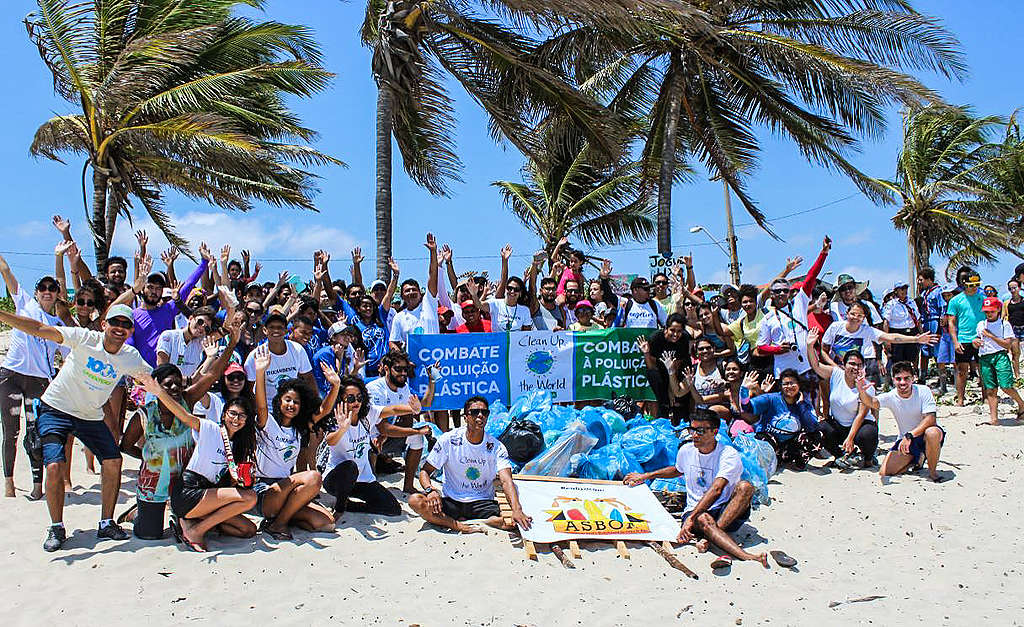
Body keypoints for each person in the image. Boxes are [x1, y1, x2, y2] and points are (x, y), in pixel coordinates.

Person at [0, 303, 153, 550]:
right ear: (104, 324)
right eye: (115, 322)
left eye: (126, 325)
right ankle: (56, 527)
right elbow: (39, 328)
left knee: (113, 460)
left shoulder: (130, 357)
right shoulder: (84, 338)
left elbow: (155, 378)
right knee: (53, 466)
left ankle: (106, 523)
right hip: (56, 409)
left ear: (130, 331)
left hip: (90, 416)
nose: (120, 328)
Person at [119, 324, 237, 539]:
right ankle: (137, 514)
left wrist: (232, 344)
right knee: (150, 535)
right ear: (157, 387)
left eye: (177, 384)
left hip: (184, 484)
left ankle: (174, 514)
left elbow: (212, 375)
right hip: (151, 484)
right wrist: (148, 458)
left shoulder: (188, 401)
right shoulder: (143, 416)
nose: (174, 388)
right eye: (167, 385)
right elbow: (125, 447)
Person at [624, 409, 769, 568]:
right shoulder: (686, 450)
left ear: (714, 432)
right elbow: (677, 470)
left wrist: (690, 519)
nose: (694, 435)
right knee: (704, 518)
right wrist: (646, 476)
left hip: (725, 512)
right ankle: (745, 555)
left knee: (745, 487)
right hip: (698, 513)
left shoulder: (728, 454)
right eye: (692, 429)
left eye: (700, 431)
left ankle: (711, 537)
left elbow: (717, 489)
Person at [139, 374, 260, 551]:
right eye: (233, 413)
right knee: (250, 498)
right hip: (190, 491)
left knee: (248, 530)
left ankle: (190, 523)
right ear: (224, 414)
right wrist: (158, 392)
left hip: (209, 496)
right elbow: (183, 415)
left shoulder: (238, 446)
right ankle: (195, 530)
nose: (236, 419)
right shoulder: (210, 428)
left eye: (242, 416)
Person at [408, 396, 532, 533]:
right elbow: (425, 471)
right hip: (452, 500)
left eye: (484, 413)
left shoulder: (496, 447)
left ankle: (468, 521)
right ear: (465, 417)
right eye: (474, 412)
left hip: (482, 502)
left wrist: (517, 510)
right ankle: (456, 525)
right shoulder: (449, 440)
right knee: (415, 501)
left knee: (513, 520)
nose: (480, 415)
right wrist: (430, 490)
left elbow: (506, 480)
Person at [251, 345, 338, 538]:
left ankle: (283, 517)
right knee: (314, 477)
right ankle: (278, 524)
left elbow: (323, 411)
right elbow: (261, 405)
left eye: (296, 402)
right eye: (287, 400)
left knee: (326, 523)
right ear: (279, 401)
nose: (291, 405)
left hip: (287, 489)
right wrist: (260, 372)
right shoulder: (268, 422)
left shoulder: (299, 428)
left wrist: (335, 386)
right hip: (264, 490)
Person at [0, 254, 65, 500]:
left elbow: (70, 357)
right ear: (36, 292)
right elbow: (5, 271)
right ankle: (9, 482)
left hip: (39, 381)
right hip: (12, 375)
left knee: (34, 432)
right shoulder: (24, 303)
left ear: (57, 293)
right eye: (43, 288)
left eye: (52, 288)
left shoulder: (58, 324)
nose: (47, 292)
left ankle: (37, 485)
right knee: (11, 431)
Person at [318, 376, 421, 519]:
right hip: (336, 479)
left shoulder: (367, 414)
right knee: (350, 466)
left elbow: (391, 410)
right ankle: (340, 507)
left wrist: (412, 409)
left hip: (362, 479)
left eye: (359, 398)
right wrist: (342, 429)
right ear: (341, 400)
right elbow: (330, 441)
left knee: (393, 508)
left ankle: (351, 506)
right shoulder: (337, 418)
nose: (356, 402)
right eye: (351, 399)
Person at [755, 236, 831, 393]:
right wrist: (777, 349)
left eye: (785, 290)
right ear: (772, 294)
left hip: (806, 366)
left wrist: (823, 253)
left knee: (810, 406)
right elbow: (760, 347)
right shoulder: (768, 318)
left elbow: (811, 276)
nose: (782, 293)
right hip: (783, 371)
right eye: (777, 291)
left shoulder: (799, 303)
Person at [857, 362, 946, 482]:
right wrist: (862, 391)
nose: (902, 383)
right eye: (898, 379)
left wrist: (910, 435)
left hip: (924, 436)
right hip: (906, 440)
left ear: (913, 378)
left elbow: (930, 419)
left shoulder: (923, 391)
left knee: (932, 432)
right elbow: (872, 402)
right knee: (884, 472)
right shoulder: (891, 396)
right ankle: (917, 458)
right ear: (893, 380)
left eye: (906, 378)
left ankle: (932, 472)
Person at [805, 329, 878, 469]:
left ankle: (868, 458)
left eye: (859, 365)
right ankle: (840, 456)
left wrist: (850, 438)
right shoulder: (836, 374)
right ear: (844, 365)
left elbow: (861, 415)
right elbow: (816, 366)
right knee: (821, 428)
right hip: (839, 425)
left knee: (869, 433)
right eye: (851, 364)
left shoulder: (867, 385)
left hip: (860, 426)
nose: (855, 367)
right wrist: (810, 346)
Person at [366, 350, 435, 493]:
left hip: (387, 436)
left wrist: (432, 380)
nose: (403, 373)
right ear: (386, 369)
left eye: (406, 369)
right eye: (398, 369)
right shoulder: (374, 389)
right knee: (375, 442)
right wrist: (416, 430)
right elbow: (382, 428)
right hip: (367, 439)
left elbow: (425, 403)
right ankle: (370, 482)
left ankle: (408, 485)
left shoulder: (404, 388)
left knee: (417, 438)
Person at [820, 302, 935, 386]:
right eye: (853, 314)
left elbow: (891, 337)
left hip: (857, 374)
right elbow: (824, 350)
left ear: (864, 318)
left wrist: (916, 339)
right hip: (836, 370)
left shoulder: (867, 330)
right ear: (847, 314)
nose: (856, 318)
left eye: (860, 316)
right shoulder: (835, 327)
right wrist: (836, 368)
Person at [738, 369, 820, 469]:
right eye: (785, 384)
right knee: (764, 443)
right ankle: (772, 460)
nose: (789, 386)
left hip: (788, 442)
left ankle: (794, 459)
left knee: (817, 434)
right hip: (768, 438)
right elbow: (747, 408)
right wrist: (744, 390)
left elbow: (812, 427)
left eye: (792, 383)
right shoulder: (771, 398)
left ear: (799, 385)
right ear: (780, 386)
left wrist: (801, 406)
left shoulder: (803, 403)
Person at [973, 297, 1024, 425]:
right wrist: (975, 342)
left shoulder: (1004, 324)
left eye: (991, 311)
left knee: (1006, 385)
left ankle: (1021, 404)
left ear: (998, 310)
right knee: (990, 389)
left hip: (1000, 356)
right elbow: (977, 339)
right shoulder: (981, 324)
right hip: (984, 357)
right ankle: (994, 419)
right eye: (986, 311)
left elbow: (1007, 344)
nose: (989, 314)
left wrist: (991, 336)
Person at [243, 311, 314, 402]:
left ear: (286, 331)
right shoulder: (255, 355)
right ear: (265, 330)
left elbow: (308, 377)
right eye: (272, 327)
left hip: (292, 405)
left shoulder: (297, 349)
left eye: (280, 327)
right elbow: (250, 389)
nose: (276, 330)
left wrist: (315, 403)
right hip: (267, 408)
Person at [389, 233, 440, 349]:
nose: (411, 292)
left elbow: (433, 275)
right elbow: (392, 342)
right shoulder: (399, 317)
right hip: (411, 365)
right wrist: (403, 360)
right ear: (402, 296)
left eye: (414, 290)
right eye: (407, 291)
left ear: (420, 293)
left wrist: (433, 252)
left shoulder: (429, 304)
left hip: (435, 362)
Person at [638, 314, 691, 424]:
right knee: (653, 376)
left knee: (679, 397)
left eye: (679, 331)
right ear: (666, 328)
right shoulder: (656, 338)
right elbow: (651, 366)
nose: (675, 334)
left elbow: (678, 365)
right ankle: (664, 411)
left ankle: (682, 417)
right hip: (659, 371)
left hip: (676, 371)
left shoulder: (684, 339)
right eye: (672, 330)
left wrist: (672, 389)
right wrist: (646, 353)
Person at [946, 271, 985, 406]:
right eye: (971, 285)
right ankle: (961, 399)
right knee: (962, 370)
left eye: (977, 284)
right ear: (964, 284)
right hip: (963, 339)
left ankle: (985, 398)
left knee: (983, 369)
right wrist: (955, 341)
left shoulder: (983, 298)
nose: (974, 287)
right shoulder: (955, 300)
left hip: (981, 338)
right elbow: (951, 322)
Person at [156, 306, 216, 379]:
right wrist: (188, 381)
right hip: (166, 388)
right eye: (200, 322)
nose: (202, 327)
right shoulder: (169, 336)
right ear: (190, 318)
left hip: (186, 388)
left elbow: (225, 328)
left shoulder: (201, 343)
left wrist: (210, 357)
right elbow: (162, 372)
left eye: (206, 328)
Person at [484, 244, 532, 332]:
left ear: (520, 292)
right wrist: (504, 261)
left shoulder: (524, 310)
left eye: (516, 290)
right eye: (509, 288)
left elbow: (526, 335)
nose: (512, 291)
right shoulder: (496, 303)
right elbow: (479, 305)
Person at [881, 282, 922, 381]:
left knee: (911, 357)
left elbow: (918, 319)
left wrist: (921, 333)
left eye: (905, 288)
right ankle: (894, 379)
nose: (904, 291)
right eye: (901, 289)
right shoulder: (891, 304)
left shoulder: (911, 302)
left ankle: (910, 377)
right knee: (897, 359)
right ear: (896, 291)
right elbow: (886, 322)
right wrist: (887, 340)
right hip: (897, 333)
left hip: (911, 332)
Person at [918, 268, 950, 391]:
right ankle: (923, 377)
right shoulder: (923, 293)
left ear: (928, 279)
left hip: (935, 322)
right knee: (925, 350)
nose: (920, 282)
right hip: (926, 322)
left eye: (921, 280)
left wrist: (943, 319)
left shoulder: (937, 292)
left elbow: (943, 307)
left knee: (938, 351)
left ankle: (942, 381)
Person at [1003, 279, 1024, 379]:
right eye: (1010, 288)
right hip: (1013, 329)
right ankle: (1017, 375)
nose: (1012, 290)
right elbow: (1003, 317)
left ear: (1019, 288)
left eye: (1014, 288)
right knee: (1015, 353)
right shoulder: (1007, 303)